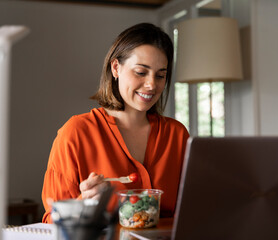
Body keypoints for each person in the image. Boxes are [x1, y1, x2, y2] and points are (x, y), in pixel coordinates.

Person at [41, 23, 189, 223]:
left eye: (161, 75)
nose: (152, 84)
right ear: (116, 68)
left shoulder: (177, 135)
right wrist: (82, 204)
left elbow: (193, 212)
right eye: (140, 72)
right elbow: (52, 223)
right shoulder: (75, 134)